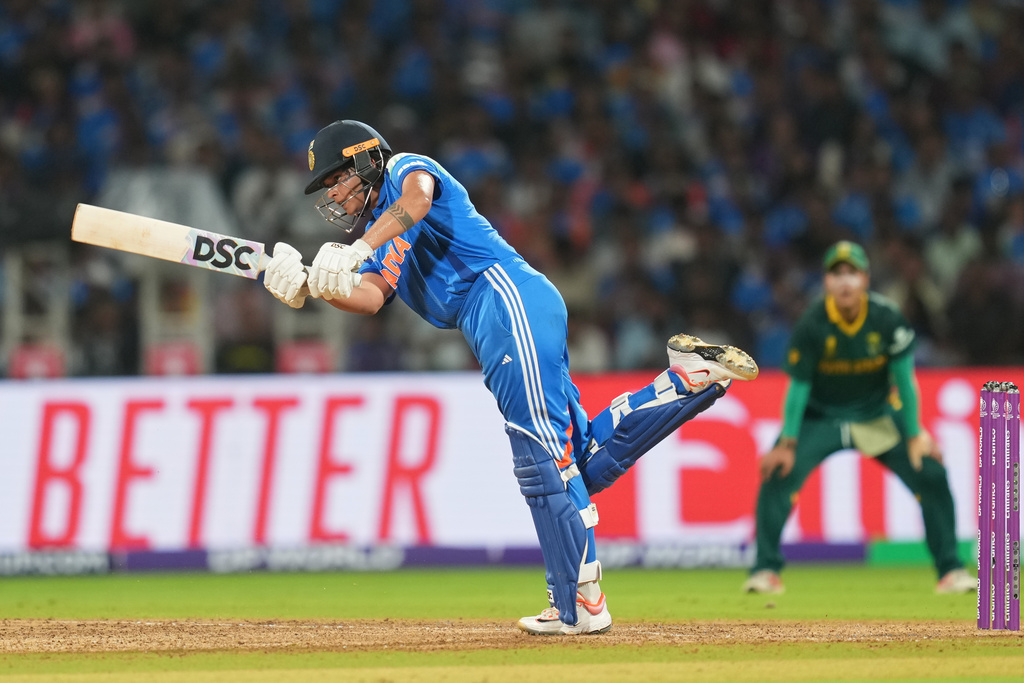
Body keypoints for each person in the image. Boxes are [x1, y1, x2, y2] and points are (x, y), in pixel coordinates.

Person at [261, 120, 760, 634]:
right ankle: (687, 382)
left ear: (366, 159)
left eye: (337, 179)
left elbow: (418, 198)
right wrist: (310, 288)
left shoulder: (404, 170)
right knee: (581, 461)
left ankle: (580, 604)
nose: (335, 195)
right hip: (503, 316)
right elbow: (367, 298)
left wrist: (357, 248)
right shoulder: (389, 239)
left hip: (504, 299)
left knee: (540, 460)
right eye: (327, 189)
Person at [744, 241, 975, 596]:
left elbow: (905, 382)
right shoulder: (812, 323)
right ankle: (764, 571)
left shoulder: (887, 318)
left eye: (852, 273)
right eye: (837, 274)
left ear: (866, 279)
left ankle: (950, 570)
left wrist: (915, 434)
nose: (845, 281)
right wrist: (788, 442)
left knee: (930, 471)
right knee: (778, 472)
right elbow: (798, 389)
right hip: (820, 419)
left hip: (876, 416)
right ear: (826, 282)